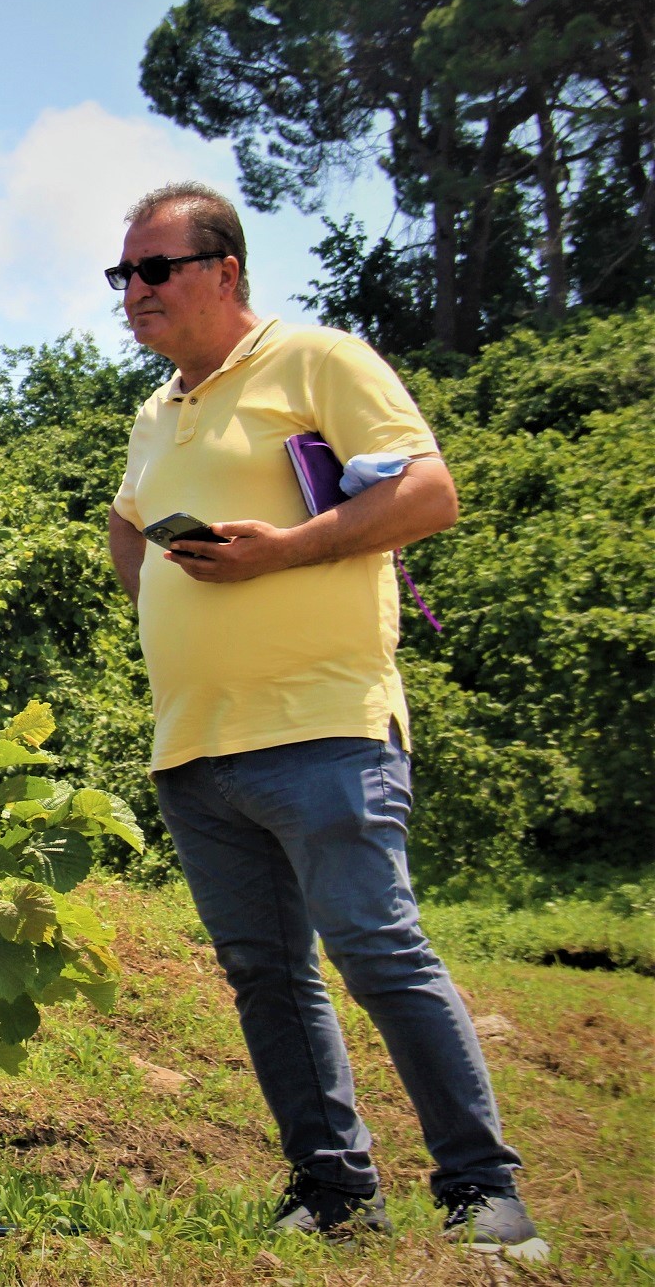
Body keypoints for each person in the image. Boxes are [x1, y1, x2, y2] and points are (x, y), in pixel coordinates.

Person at [104, 183, 546, 1260]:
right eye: (122, 276)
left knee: (376, 951)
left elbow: (428, 494)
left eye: (153, 270)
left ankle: (482, 1192)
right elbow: (125, 532)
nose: (133, 293)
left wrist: (285, 552)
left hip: (320, 728)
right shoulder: (155, 409)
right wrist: (169, 583)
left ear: (224, 270)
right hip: (194, 744)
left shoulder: (319, 361)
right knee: (265, 975)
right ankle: (333, 1190)